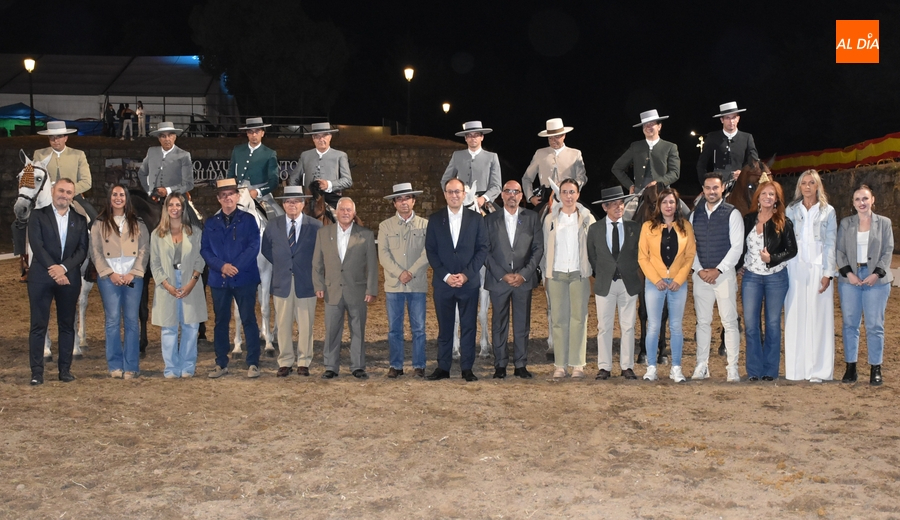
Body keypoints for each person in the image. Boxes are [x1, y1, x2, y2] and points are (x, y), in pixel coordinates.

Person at [425, 178, 490, 381]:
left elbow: (482, 249)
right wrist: (445, 276)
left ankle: (467, 368)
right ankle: (443, 367)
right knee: (445, 327)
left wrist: (466, 274)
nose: (454, 195)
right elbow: (431, 251)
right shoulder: (435, 220)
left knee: (469, 326)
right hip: (443, 284)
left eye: (458, 192)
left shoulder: (476, 219)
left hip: (467, 283)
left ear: (464, 194)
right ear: (444, 194)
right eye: (450, 192)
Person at [26, 178, 89, 385]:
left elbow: (82, 250)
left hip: (68, 278)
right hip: (41, 278)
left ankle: (65, 370)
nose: (64, 195)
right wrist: (54, 269)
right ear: (53, 191)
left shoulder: (80, 220)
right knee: (38, 325)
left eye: (69, 192)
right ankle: (36, 372)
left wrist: (63, 268)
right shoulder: (37, 216)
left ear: (73, 195)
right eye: (61, 190)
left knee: (67, 325)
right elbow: (37, 245)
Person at [201, 178, 262, 379]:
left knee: (248, 319)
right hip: (220, 280)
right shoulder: (211, 223)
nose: (228, 198)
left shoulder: (248, 220)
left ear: (237, 196)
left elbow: (254, 246)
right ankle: (221, 362)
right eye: (224, 195)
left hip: (244, 278)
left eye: (231, 194)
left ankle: (253, 362)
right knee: (221, 321)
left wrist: (236, 267)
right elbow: (206, 250)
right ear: (219, 199)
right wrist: (222, 266)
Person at [312, 197, 379, 379]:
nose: (345, 213)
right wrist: (318, 284)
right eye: (342, 209)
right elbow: (317, 263)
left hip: (357, 290)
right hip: (332, 290)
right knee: (332, 329)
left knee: (358, 330)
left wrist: (371, 289)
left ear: (354, 213)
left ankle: (357, 366)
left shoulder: (365, 235)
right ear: (336, 212)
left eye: (349, 210)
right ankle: (331, 366)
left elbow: (372, 265)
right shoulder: (324, 234)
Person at [738, 181, 797, 381]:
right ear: (758, 197)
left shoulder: (783, 222)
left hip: (776, 278)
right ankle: (754, 370)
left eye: (772, 194)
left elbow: (792, 250)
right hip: (752, 278)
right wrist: (739, 266)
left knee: (772, 323)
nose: (767, 197)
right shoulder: (748, 219)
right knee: (751, 324)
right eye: (764, 193)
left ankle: (770, 370)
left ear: (777, 199)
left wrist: (772, 259)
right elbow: (740, 245)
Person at [484, 180, 544, 379]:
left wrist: (524, 274)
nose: (512, 195)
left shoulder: (532, 218)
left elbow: (538, 249)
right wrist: (502, 274)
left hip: (522, 280)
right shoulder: (489, 220)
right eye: (508, 191)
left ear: (521, 196)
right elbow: (485, 250)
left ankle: (520, 364)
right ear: (501, 195)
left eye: (516, 192)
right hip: (498, 280)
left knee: (522, 324)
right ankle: (500, 364)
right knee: (499, 323)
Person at [836, 185, 894, 386]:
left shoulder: (884, 223)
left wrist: (876, 274)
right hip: (849, 280)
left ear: (872, 200)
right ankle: (850, 366)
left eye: (865, 198)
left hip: (876, 281)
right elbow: (839, 252)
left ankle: (875, 367)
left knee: (874, 325)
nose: (862, 202)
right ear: (853, 203)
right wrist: (849, 274)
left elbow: (888, 251)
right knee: (850, 324)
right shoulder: (846, 223)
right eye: (857, 199)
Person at [261, 186, 322, 377]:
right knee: (283, 323)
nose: (292, 205)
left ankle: (304, 361)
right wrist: (283, 263)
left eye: (296, 201)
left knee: (306, 324)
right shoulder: (273, 225)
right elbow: (266, 250)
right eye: (288, 201)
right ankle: (285, 360)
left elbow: (320, 254)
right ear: (283, 204)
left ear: (303, 204)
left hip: (306, 281)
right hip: (282, 281)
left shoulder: (315, 226)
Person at [637, 188, 696, 382]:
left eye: (671, 202)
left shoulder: (686, 226)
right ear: (658, 205)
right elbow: (643, 257)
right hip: (655, 284)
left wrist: (679, 279)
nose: (668, 206)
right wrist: (656, 280)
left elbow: (689, 256)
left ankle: (676, 367)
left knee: (676, 327)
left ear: (676, 204)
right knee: (653, 326)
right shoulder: (648, 227)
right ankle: (651, 366)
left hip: (678, 284)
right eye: (664, 202)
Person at [91, 184, 150, 379]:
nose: (118, 198)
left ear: (127, 198)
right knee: (113, 321)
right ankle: (115, 364)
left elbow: (144, 249)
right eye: (115, 194)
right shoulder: (99, 223)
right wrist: (109, 273)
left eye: (122, 195)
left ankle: (131, 365)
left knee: (132, 321)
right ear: (109, 198)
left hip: (133, 277)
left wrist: (134, 272)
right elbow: (96, 252)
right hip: (110, 278)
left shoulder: (138, 223)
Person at [690, 173, 744, 382]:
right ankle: (701, 365)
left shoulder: (732, 214)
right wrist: (699, 269)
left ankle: (732, 367)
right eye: (707, 188)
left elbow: (737, 247)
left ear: (722, 189)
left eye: (715, 188)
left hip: (724, 276)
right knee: (702, 323)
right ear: (703, 190)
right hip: (701, 276)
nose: (711, 192)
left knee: (729, 322)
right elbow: (690, 246)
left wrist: (719, 270)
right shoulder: (695, 215)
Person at [784, 170, 837, 382]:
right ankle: (796, 369)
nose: (807, 187)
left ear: (817, 186)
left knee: (819, 318)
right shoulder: (791, 210)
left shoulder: (828, 211)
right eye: (803, 183)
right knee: (794, 316)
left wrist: (828, 272)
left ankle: (819, 370)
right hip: (794, 268)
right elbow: (786, 240)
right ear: (799, 186)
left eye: (811, 183)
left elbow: (831, 243)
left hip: (819, 268)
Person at [542, 178, 595, 378]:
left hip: (578, 274)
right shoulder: (550, 220)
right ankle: (560, 365)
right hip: (556, 274)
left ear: (578, 194)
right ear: (559, 195)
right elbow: (546, 249)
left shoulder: (587, 218)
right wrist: (545, 274)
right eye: (564, 192)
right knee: (558, 319)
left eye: (572, 192)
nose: (568, 196)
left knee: (579, 319)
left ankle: (577, 364)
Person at [150, 193, 207, 378]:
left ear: (183, 208)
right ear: (166, 208)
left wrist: (192, 281)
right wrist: (166, 284)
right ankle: (171, 368)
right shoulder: (157, 235)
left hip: (191, 279)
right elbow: (155, 263)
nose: (175, 208)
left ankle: (187, 367)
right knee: (169, 327)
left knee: (191, 326)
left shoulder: (194, 233)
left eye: (178, 205)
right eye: (171, 205)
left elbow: (200, 259)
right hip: (168, 281)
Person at [587, 186, 641, 380]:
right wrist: (604, 271)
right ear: (605, 207)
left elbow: (638, 254)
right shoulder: (594, 229)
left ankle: (627, 366)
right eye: (614, 205)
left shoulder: (634, 227)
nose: (619, 208)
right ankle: (604, 367)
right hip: (605, 283)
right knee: (604, 326)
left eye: (621, 204)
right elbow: (592, 256)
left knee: (628, 326)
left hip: (628, 282)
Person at [378, 183, 429, 378]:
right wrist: (400, 273)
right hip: (394, 285)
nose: (404, 202)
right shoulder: (385, 226)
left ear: (414, 201)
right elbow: (383, 254)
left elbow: (428, 253)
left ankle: (419, 364)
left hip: (417, 284)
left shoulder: (425, 225)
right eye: (399, 199)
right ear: (394, 204)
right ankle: (396, 365)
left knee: (419, 328)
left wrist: (412, 272)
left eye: (407, 198)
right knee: (394, 329)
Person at [32, 121, 95, 224]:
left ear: (66, 138)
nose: (55, 140)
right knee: (19, 223)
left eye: (59, 136)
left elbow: (87, 182)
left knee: (94, 219)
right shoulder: (39, 154)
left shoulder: (78, 155)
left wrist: (69, 192)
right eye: (51, 137)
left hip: (73, 196)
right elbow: (35, 179)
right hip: (46, 196)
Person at [521, 118, 587, 211]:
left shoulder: (575, 154)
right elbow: (527, 178)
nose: (553, 141)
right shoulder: (540, 153)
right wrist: (530, 197)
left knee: (589, 218)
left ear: (564, 135)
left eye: (556, 137)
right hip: (546, 199)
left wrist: (572, 190)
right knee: (532, 222)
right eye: (550, 138)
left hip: (569, 197)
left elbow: (582, 178)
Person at [611, 110, 680, 194]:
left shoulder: (670, 147)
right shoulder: (635, 146)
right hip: (639, 192)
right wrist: (630, 185)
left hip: (663, 191)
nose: (648, 127)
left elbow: (675, 173)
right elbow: (616, 168)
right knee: (626, 206)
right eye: (645, 125)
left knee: (682, 207)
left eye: (651, 124)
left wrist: (658, 182)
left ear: (659, 126)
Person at [288, 122, 352, 209]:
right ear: (313, 138)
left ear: (330, 137)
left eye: (324, 136)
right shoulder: (305, 155)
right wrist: (296, 196)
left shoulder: (340, 156)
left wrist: (329, 184)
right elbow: (294, 178)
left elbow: (347, 180)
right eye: (317, 136)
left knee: (342, 219)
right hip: (309, 199)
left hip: (332, 198)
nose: (321, 139)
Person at [441, 121, 502, 212]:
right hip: (461, 201)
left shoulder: (492, 157)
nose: (473, 138)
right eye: (469, 135)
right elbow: (445, 180)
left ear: (482, 137)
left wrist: (484, 198)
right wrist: (452, 195)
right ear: (465, 138)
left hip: (482, 202)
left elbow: (496, 186)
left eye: (476, 135)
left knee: (499, 220)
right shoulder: (457, 156)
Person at [228, 117, 281, 217]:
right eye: (251, 132)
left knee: (280, 215)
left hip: (261, 192)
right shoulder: (238, 150)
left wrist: (258, 191)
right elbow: (230, 174)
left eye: (257, 132)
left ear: (262, 133)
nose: (254, 135)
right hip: (240, 190)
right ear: (247, 134)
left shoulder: (269, 153)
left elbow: (274, 181)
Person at [696, 101, 759, 184]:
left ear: (738, 118)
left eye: (734, 117)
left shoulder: (747, 138)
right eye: (727, 118)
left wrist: (743, 173)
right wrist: (705, 184)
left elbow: (754, 163)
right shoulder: (712, 137)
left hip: (741, 182)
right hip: (717, 184)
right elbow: (701, 163)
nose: (731, 121)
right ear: (722, 120)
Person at [137, 122, 193, 203]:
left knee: (190, 214)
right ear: (159, 139)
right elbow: (142, 173)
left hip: (176, 198)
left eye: (170, 135)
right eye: (163, 136)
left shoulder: (184, 155)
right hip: (153, 199)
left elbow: (188, 183)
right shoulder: (151, 151)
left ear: (175, 137)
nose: (167, 139)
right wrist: (149, 190)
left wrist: (168, 190)